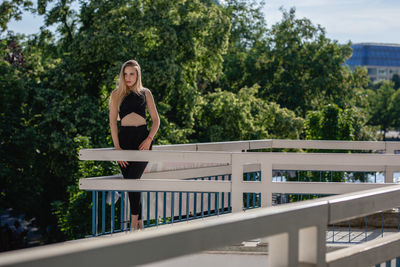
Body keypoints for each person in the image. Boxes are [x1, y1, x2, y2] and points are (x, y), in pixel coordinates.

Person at [109, 60, 160, 230]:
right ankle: (139, 223)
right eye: (125, 74)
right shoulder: (116, 94)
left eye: (132, 74)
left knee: (132, 180)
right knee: (132, 181)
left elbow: (156, 120)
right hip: (124, 141)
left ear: (137, 75)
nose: (128, 77)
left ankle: (133, 222)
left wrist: (149, 139)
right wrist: (117, 149)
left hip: (142, 141)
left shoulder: (146, 93)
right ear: (122, 75)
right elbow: (112, 124)